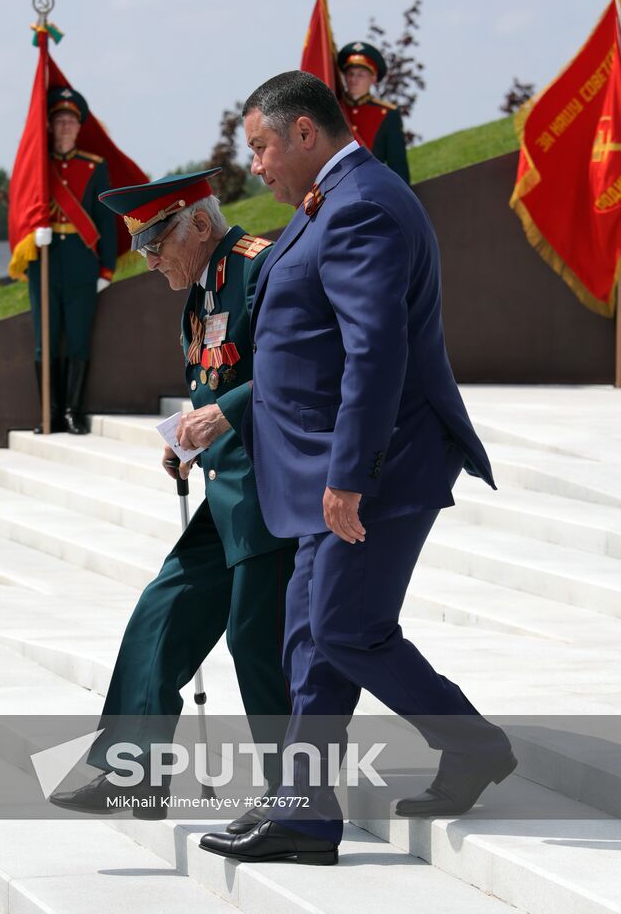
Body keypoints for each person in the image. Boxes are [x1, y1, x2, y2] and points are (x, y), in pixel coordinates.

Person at [199, 71, 515, 866]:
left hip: (377, 467)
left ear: (306, 133)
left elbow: (376, 353)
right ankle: (303, 815)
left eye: (263, 147)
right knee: (310, 637)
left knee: (342, 629)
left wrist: (349, 476)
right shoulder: (331, 200)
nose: (257, 166)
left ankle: (471, 743)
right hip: (327, 468)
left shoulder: (361, 205)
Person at [49, 169, 295, 826]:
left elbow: (302, 369)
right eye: (141, 247)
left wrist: (221, 416)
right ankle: (132, 769)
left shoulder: (263, 268)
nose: (149, 259)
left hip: (275, 489)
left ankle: (296, 796)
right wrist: (190, 438)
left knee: (256, 639)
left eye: (156, 243)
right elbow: (217, 380)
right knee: (162, 611)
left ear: (201, 224)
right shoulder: (202, 290)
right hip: (229, 489)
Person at [27, 86, 117, 434]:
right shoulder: (38, 166)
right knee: (45, 340)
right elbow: (22, 209)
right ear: (50, 126)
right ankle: (48, 413)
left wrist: (106, 267)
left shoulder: (94, 167)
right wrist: (32, 235)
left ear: (79, 128)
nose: (65, 127)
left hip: (82, 261)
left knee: (78, 338)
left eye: (70, 122)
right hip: (45, 261)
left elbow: (105, 220)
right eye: (59, 121)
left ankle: (71, 411)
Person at [337, 41, 410, 184]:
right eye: (350, 74)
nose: (353, 79)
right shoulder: (335, 109)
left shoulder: (388, 114)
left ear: (373, 78)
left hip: (371, 187)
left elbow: (397, 165)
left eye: (360, 75)